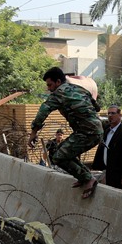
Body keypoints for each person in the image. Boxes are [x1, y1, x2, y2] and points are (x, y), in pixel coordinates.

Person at [28, 67, 102, 199]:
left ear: (58, 82)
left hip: (87, 133)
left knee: (58, 157)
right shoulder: (79, 89)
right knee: (62, 151)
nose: (49, 89)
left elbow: (43, 111)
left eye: (50, 85)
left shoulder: (58, 94)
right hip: (93, 129)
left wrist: (33, 133)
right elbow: (96, 107)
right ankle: (84, 177)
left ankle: (88, 178)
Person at [92, 104, 122, 190]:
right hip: (107, 172)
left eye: (113, 113)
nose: (110, 116)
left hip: (119, 175)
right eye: (108, 113)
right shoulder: (107, 131)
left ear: (119, 115)